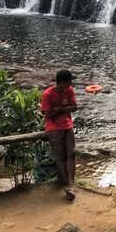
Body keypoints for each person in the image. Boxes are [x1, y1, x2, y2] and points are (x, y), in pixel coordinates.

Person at [40, 69, 78, 201]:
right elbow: (47, 114)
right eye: (69, 82)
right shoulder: (48, 94)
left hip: (67, 125)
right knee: (61, 156)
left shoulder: (69, 90)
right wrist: (62, 110)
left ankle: (71, 184)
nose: (70, 84)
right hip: (53, 128)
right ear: (62, 82)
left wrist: (59, 109)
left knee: (71, 153)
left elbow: (74, 107)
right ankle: (66, 184)